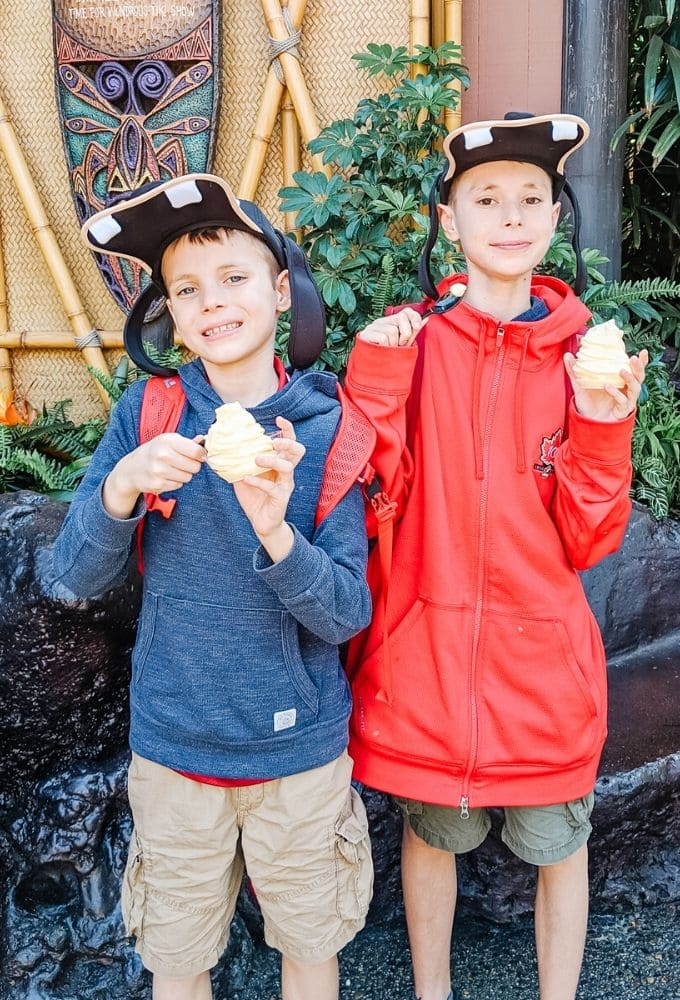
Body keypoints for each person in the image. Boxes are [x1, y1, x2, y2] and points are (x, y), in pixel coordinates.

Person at [341, 112, 645, 1000]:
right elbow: (369, 500)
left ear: (556, 216)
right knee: (430, 836)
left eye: (530, 198)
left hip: (542, 659)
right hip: (427, 655)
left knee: (563, 844)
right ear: (450, 220)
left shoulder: (588, 358)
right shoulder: (412, 342)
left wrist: (604, 419)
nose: (510, 215)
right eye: (486, 198)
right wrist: (376, 380)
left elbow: (591, 537)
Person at [51, 174, 374, 1000]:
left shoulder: (331, 429)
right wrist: (121, 487)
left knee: (309, 948)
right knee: (177, 958)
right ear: (167, 312)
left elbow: (344, 614)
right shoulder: (148, 414)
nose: (213, 303)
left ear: (280, 289)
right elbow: (70, 579)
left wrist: (275, 529)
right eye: (187, 289)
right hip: (174, 749)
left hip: (299, 754)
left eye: (234, 278)